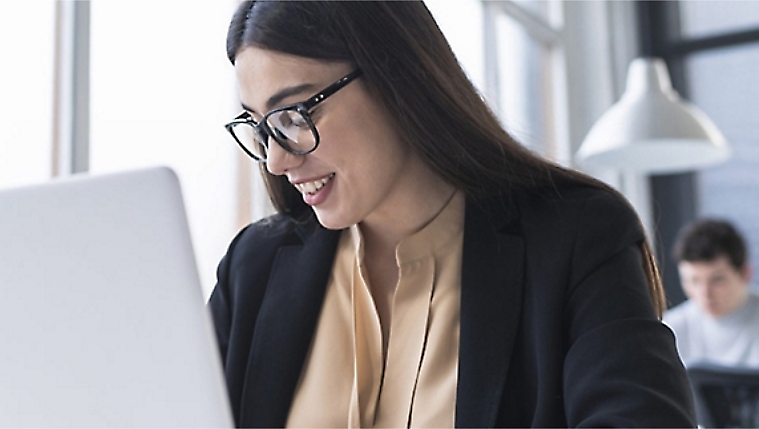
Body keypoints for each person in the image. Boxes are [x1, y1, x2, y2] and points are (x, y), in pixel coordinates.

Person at [207, 2, 694, 427]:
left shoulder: (575, 238)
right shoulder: (254, 265)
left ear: (394, 75)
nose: (276, 159)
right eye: (259, 125)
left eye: (294, 114)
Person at [664, 219, 759, 367]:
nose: (705, 294)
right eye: (693, 281)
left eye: (716, 280)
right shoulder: (671, 330)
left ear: (744, 273)